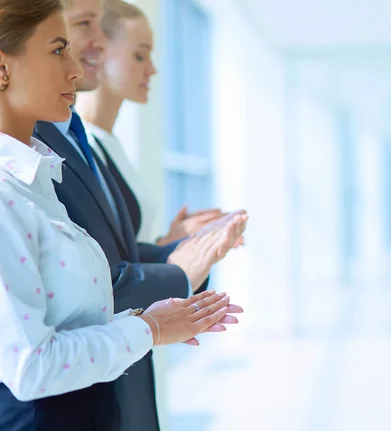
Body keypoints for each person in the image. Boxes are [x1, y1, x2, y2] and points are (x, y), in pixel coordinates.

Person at [0, 1, 245, 430]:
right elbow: (30, 366)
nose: (75, 66)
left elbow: (68, 316)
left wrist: (152, 321)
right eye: (59, 48)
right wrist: (149, 326)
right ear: (3, 70)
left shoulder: (35, 177)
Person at [76, 0, 235, 246]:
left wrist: (177, 240)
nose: (151, 70)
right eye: (139, 56)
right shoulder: (79, 145)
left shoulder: (108, 143)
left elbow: (129, 252)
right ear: (98, 50)